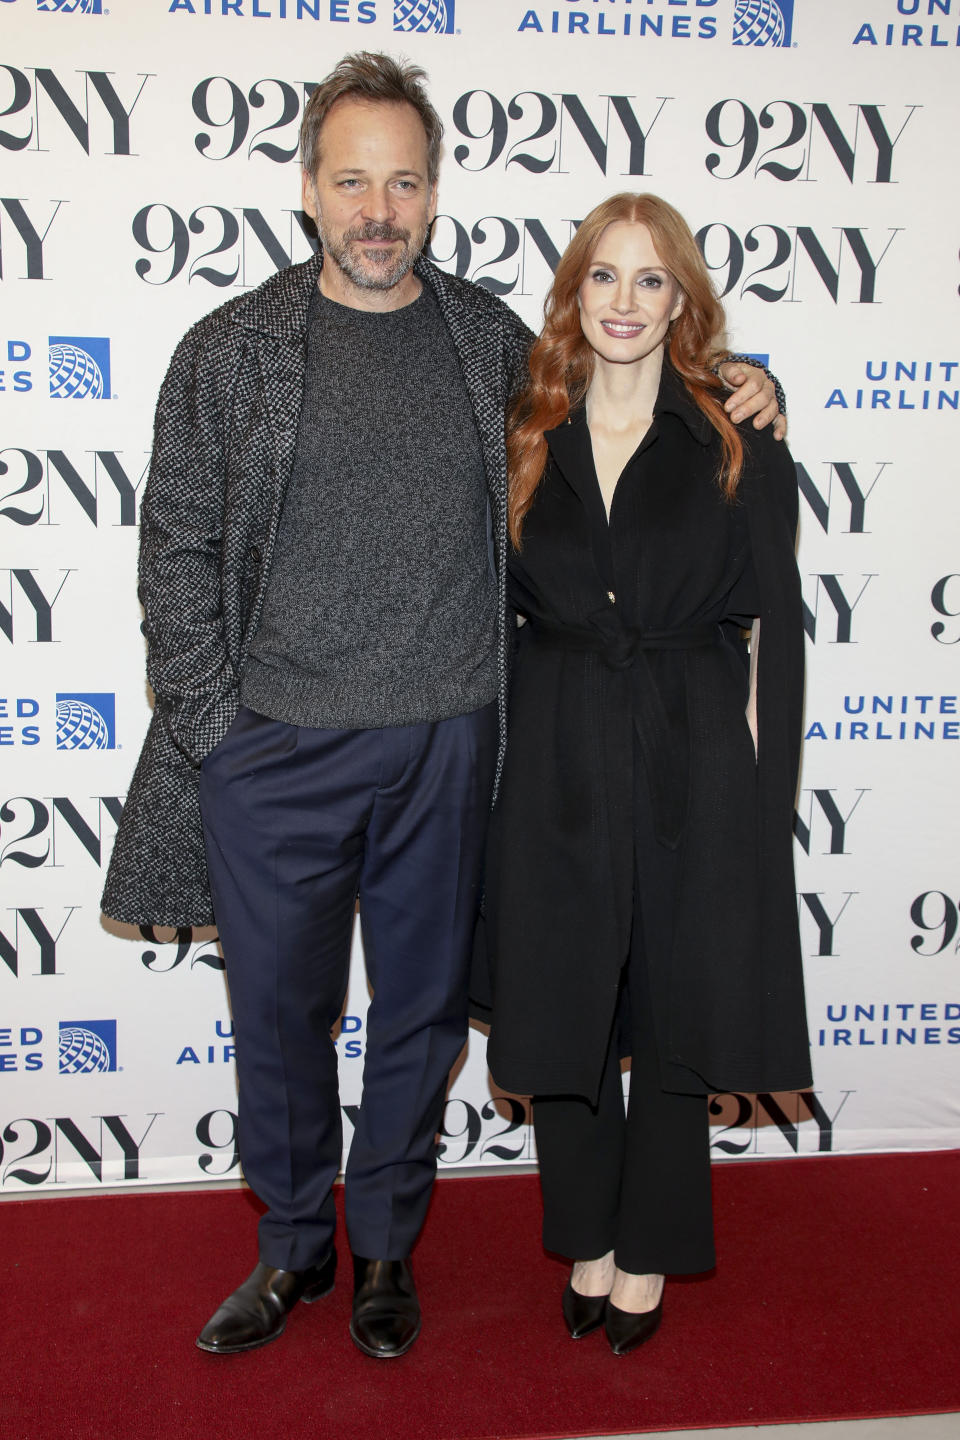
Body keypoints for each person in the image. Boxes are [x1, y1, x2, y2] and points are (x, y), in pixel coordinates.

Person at [100, 52, 782, 1361]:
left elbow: (637, 406)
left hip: (452, 752)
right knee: (279, 1030)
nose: (377, 207)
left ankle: (388, 1251)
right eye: (351, 178)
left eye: (402, 181)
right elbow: (174, 542)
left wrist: (747, 388)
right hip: (273, 756)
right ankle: (297, 1249)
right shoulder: (230, 350)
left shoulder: (493, 347)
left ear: (433, 193)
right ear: (308, 190)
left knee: (416, 1028)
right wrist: (216, 732)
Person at [479, 192, 811, 1356]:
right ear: (573, 292)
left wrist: (762, 805)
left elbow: (773, 628)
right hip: (560, 741)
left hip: (695, 742)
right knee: (563, 995)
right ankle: (587, 1227)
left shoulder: (736, 431)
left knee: (677, 1004)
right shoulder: (525, 424)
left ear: (684, 301)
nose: (625, 303)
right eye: (603, 277)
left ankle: (653, 1246)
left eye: (651, 281)